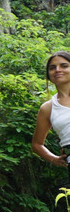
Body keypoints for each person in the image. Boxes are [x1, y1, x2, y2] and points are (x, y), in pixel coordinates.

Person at [30, 51, 70, 184]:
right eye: (52, 68)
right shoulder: (48, 108)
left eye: (64, 66)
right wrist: (54, 158)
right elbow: (37, 144)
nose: (58, 70)